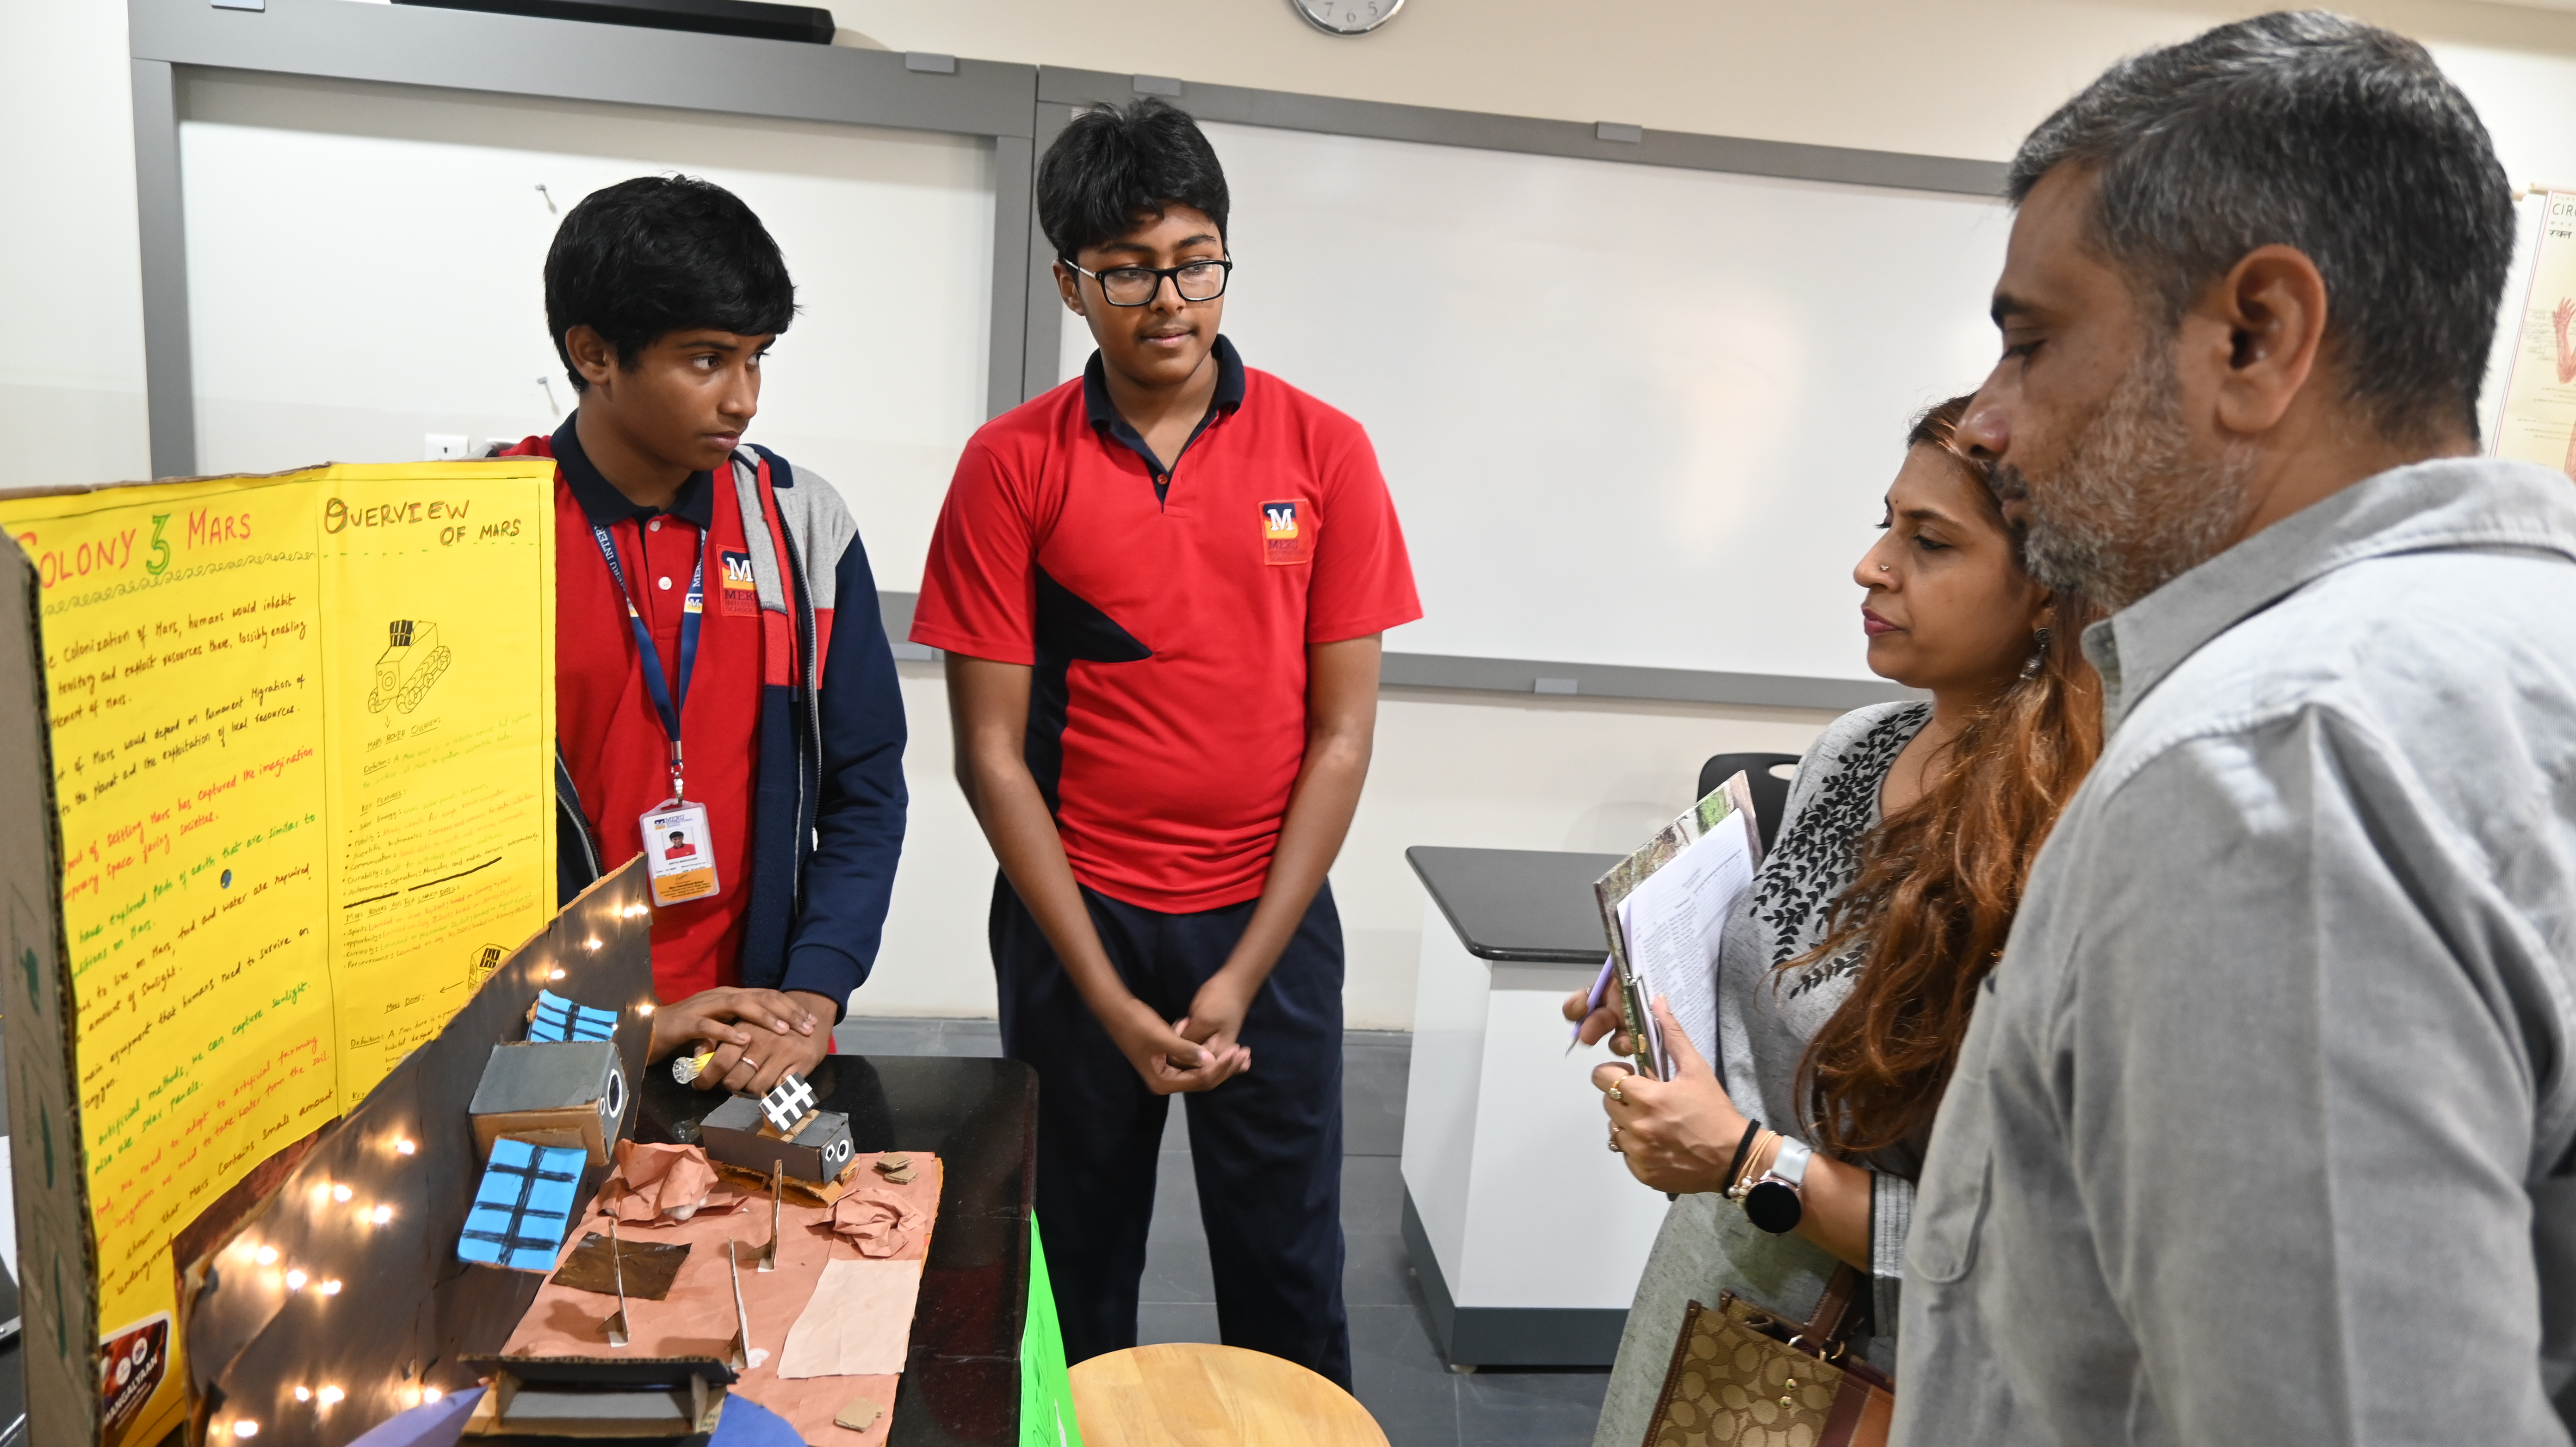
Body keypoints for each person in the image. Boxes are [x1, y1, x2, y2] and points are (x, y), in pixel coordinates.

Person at [1896, 14, 2576, 1443]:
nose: (1993, 424)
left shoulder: (2276, 761)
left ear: (2255, 337)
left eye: (2033, 343)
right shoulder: (2515, 648)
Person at [908, 99, 1420, 1385]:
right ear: (1070, 282)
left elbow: (1343, 736)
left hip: (1269, 922)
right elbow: (989, 754)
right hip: (1077, 920)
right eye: (1128, 272)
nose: (1170, 301)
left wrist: (1243, 970)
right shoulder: (1009, 465)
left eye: (1197, 262)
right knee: (1068, 1266)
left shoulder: (1326, 450)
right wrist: (1103, 995)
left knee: (1289, 1267)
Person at [1565, 397, 2099, 1441]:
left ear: (2050, 588)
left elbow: (2020, 1243)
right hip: (1723, 1270)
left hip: (1886, 1357)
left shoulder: (2065, 845)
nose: (1871, 566)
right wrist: (1662, 1003)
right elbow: (1780, 985)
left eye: (1930, 542)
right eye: (1885, 524)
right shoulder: (1857, 744)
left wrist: (1745, 1160)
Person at [501, 176, 908, 1096]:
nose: (745, 399)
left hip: (752, 1041)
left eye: (758, 359)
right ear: (595, 354)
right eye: (708, 360)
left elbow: (866, 789)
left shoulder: (801, 526)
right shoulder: (482, 532)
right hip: (543, 1045)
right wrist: (624, 1027)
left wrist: (813, 997)